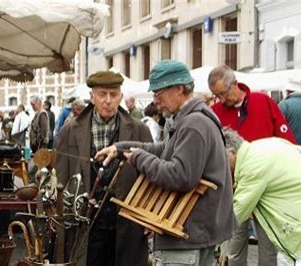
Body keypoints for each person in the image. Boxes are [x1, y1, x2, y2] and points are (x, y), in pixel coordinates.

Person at [95, 60, 236, 266]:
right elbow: (164, 149)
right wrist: (121, 148)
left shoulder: (194, 123)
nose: (156, 101)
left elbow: (180, 176)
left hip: (189, 235)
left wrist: (139, 158)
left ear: (179, 89)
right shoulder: (191, 119)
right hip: (194, 234)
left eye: (158, 94)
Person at [55, 70, 153, 266]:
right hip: (86, 226)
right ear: (92, 97)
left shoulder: (139, 129)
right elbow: (61, 179)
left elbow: (150, 177)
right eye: (102, 94)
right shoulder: (70, 130)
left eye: (113, 94)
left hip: (127, 225)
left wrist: (150, 215)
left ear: (121, 97)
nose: (108, 100)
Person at [208, 65, 296, 266]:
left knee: (268, 248)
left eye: (222, 94)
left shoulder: (263, 102)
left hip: (268, 190)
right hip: (233, 190)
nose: (220, 100)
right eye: (216, 95)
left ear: (235, 84)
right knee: (232, 249)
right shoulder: (214, 112)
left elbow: (287, 142)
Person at [222, 128, 301, 265]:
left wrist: (213, 235)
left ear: (232, 153)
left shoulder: (252, 165)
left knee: (290, 259)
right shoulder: (258, 148)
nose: (222, 167)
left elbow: (238, 211)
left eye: (221, 160)